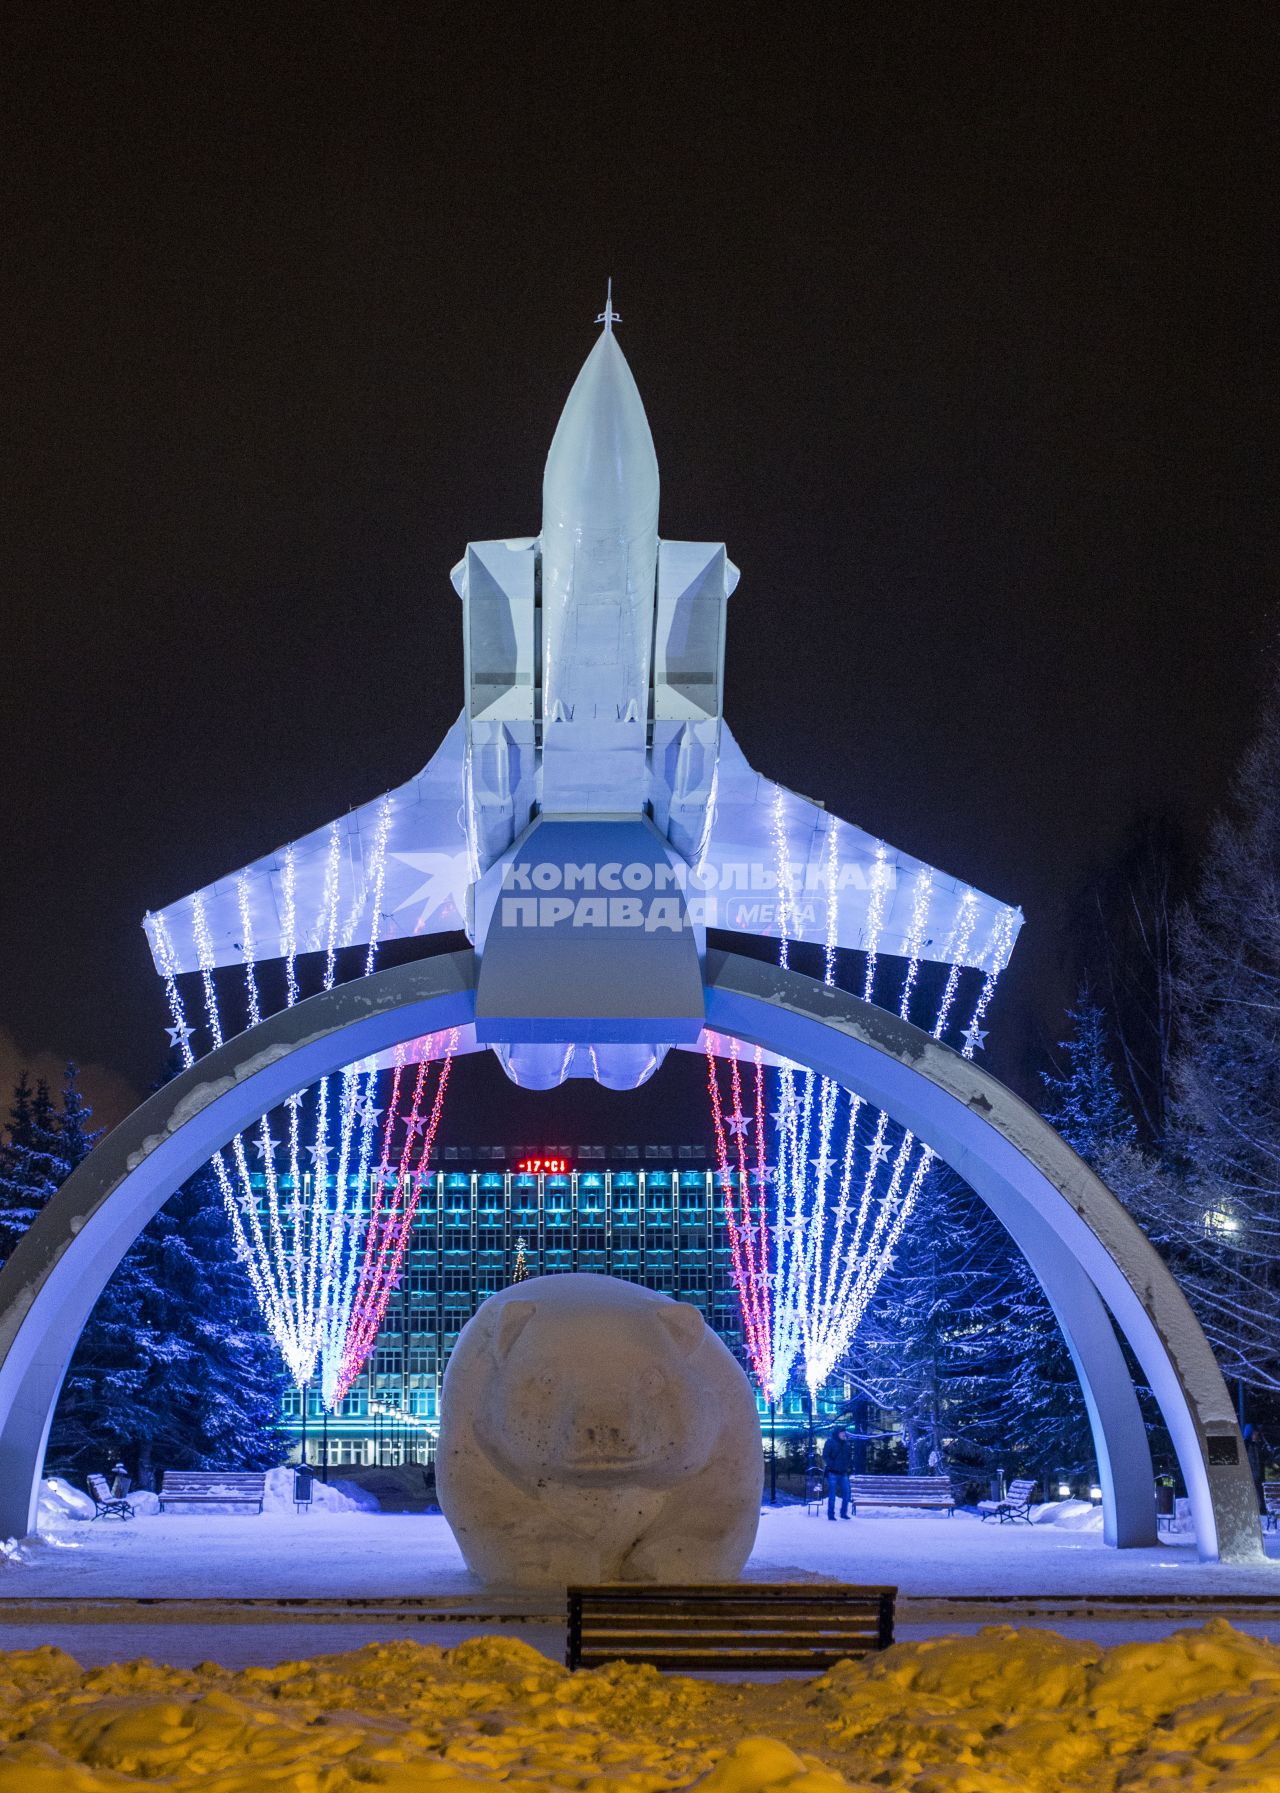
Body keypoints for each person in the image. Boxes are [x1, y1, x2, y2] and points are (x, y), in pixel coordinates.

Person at [823, 1425, 854, 1520]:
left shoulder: (846, 1444)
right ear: (837, 1433)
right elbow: (825, 1456)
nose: (843, 1434)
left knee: (847, 1493)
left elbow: (849, 1457)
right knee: (832, 1494)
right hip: (833, 1472)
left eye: (844, 1433)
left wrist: (847, 1466)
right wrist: (832, 1465)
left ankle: (843, 1513)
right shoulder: (830, 1442)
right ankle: (831, 1514)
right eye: (842, 1433)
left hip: (843, 1472)